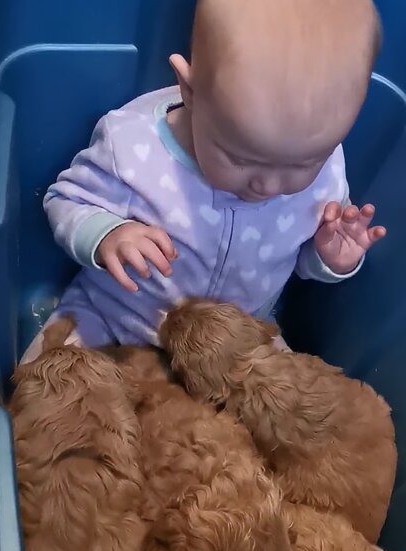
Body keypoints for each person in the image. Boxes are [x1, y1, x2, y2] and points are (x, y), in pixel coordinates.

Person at [30, 0, 385, 361]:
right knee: (54, 374)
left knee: (289, 401)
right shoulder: (133, 149)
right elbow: (65, 199)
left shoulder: (324, 167)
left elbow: (300, 259)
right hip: (114, 319)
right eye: (241, 158)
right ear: (190, 91)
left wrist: (330, 256)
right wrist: (106, 234)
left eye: (302, 164)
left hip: (237, 339)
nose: (268, 186)